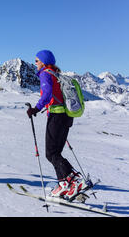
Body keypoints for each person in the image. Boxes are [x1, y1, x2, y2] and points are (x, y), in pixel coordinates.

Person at [26, 50, 87, 199]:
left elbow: (46, 95)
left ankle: (75, 180)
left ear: (44, 61)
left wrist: (36, 108)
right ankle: (64, 183)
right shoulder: (55, 74)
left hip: (57, 116)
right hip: (65, 117)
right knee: (55, 153)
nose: (35, 63)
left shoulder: (46, 74)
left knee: (51, 153)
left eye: (36, 60)